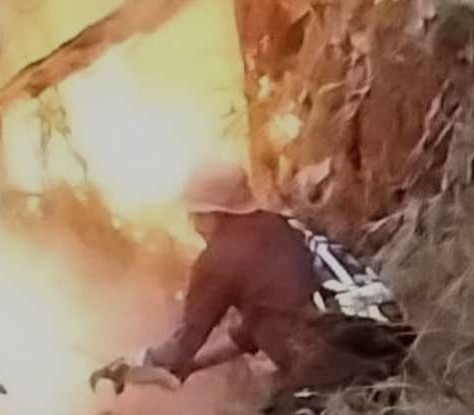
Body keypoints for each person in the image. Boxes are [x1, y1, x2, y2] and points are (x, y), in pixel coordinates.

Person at [144, 164, 407, 391]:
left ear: (212, 213)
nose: (194, 225)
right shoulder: (281, 227)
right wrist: (194, 367)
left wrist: (137, 363)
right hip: (388, 343)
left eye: (195, 215)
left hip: (333, 360)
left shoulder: (218, 258)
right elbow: (253, 331)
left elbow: (181, 349)